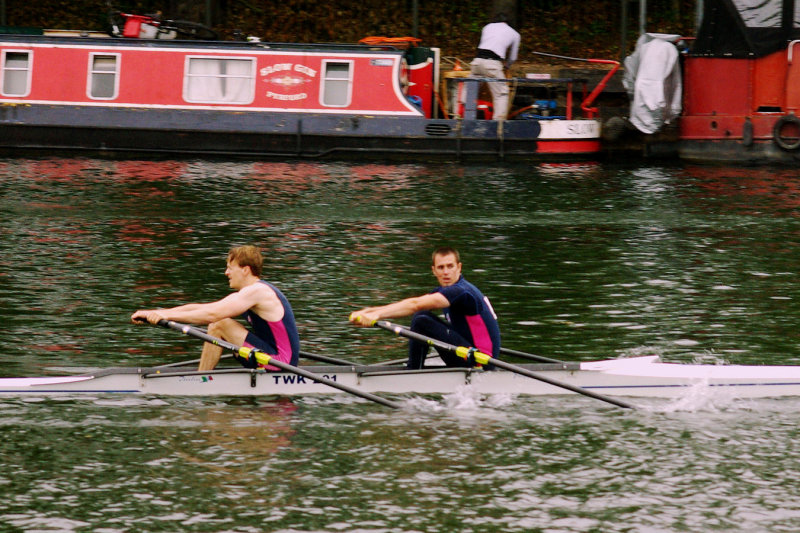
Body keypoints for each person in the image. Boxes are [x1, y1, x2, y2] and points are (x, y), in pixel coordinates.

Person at [131, 245, 300, 371]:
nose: (226, 273)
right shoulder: (248, 293)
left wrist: (163, 316)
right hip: (269, 356)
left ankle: (202, 380)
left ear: (245, 270)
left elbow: (211, 314)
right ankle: (202, 378)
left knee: (219, 323)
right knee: (219, 322)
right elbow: (202, 308)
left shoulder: (257, 291)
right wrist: (159, 313)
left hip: (280, 362)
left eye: (230, 268)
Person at [350, 247, 500, 369]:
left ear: (459, 268)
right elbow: (414, 304)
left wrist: (377, 315)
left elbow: (415, 304)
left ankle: (414, 372)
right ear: (434, 270)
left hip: (481, 361)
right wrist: (370, 312)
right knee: (421, 316)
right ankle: (415, 369)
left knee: (421, 320)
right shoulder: (445, 292)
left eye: (450, 266)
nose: (446, 272)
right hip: (469, 353)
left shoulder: (461, 291)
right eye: (441, 267)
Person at [469, 12, 521, 121]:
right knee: (501, 94)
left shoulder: (487, 27)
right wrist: (506, 66)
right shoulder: (515, 34)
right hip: (492, 64)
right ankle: (498, 125)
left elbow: (486, 44)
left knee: (470, 91)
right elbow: (513, 57)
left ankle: (463, 118)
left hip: (477, 62)